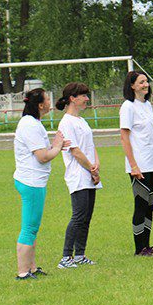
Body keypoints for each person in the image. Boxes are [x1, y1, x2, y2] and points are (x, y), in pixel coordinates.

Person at [13, 88, 69, 280]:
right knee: (29, 228)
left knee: (33, 227)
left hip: (34, 181)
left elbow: (42, 151)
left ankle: (32, 267)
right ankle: (23, 272)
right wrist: (57, 146)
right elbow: (43, 157)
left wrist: (55, 145)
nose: (50, 102)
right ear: (40, 105)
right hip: (31, 182)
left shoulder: (33, 123)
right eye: (47, 99)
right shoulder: (30, 125)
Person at [120, 71, 153, 256]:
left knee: (151, 206)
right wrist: (133, 165)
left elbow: (152, 137)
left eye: (146, 81)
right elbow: (124, 137)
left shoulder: (147, 105)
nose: (145, 84)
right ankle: (139, 248)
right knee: (141, 205)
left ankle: (147, 245)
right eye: (141, 82)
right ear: (132, 86)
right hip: (139, 165)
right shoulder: (128, 107)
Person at [55, 82, 101, 269]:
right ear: (72, 98)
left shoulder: (82, 121)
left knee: (86, 217)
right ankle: (66, 257)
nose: (87, 99)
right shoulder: (66, 122)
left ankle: (80, 255)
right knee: (78, 215)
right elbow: (75, 151)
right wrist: (91, 168)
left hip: (90, 173)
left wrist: (96, 165)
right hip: (78, 175)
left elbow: (91, 146)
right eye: (83, 96)